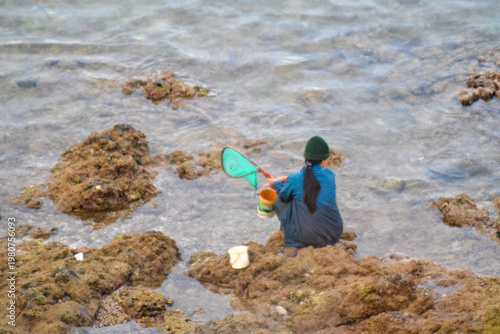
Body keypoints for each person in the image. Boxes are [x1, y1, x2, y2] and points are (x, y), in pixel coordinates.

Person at [267, 136, 343, 250]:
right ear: (323, 161)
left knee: (280, 200)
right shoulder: (330, 175)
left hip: (307, 239)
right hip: (333, 233)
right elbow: (310, 181)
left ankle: (287, 232)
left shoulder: (295, 179)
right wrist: (286, 179)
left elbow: (283, 195)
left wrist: (276, 184)